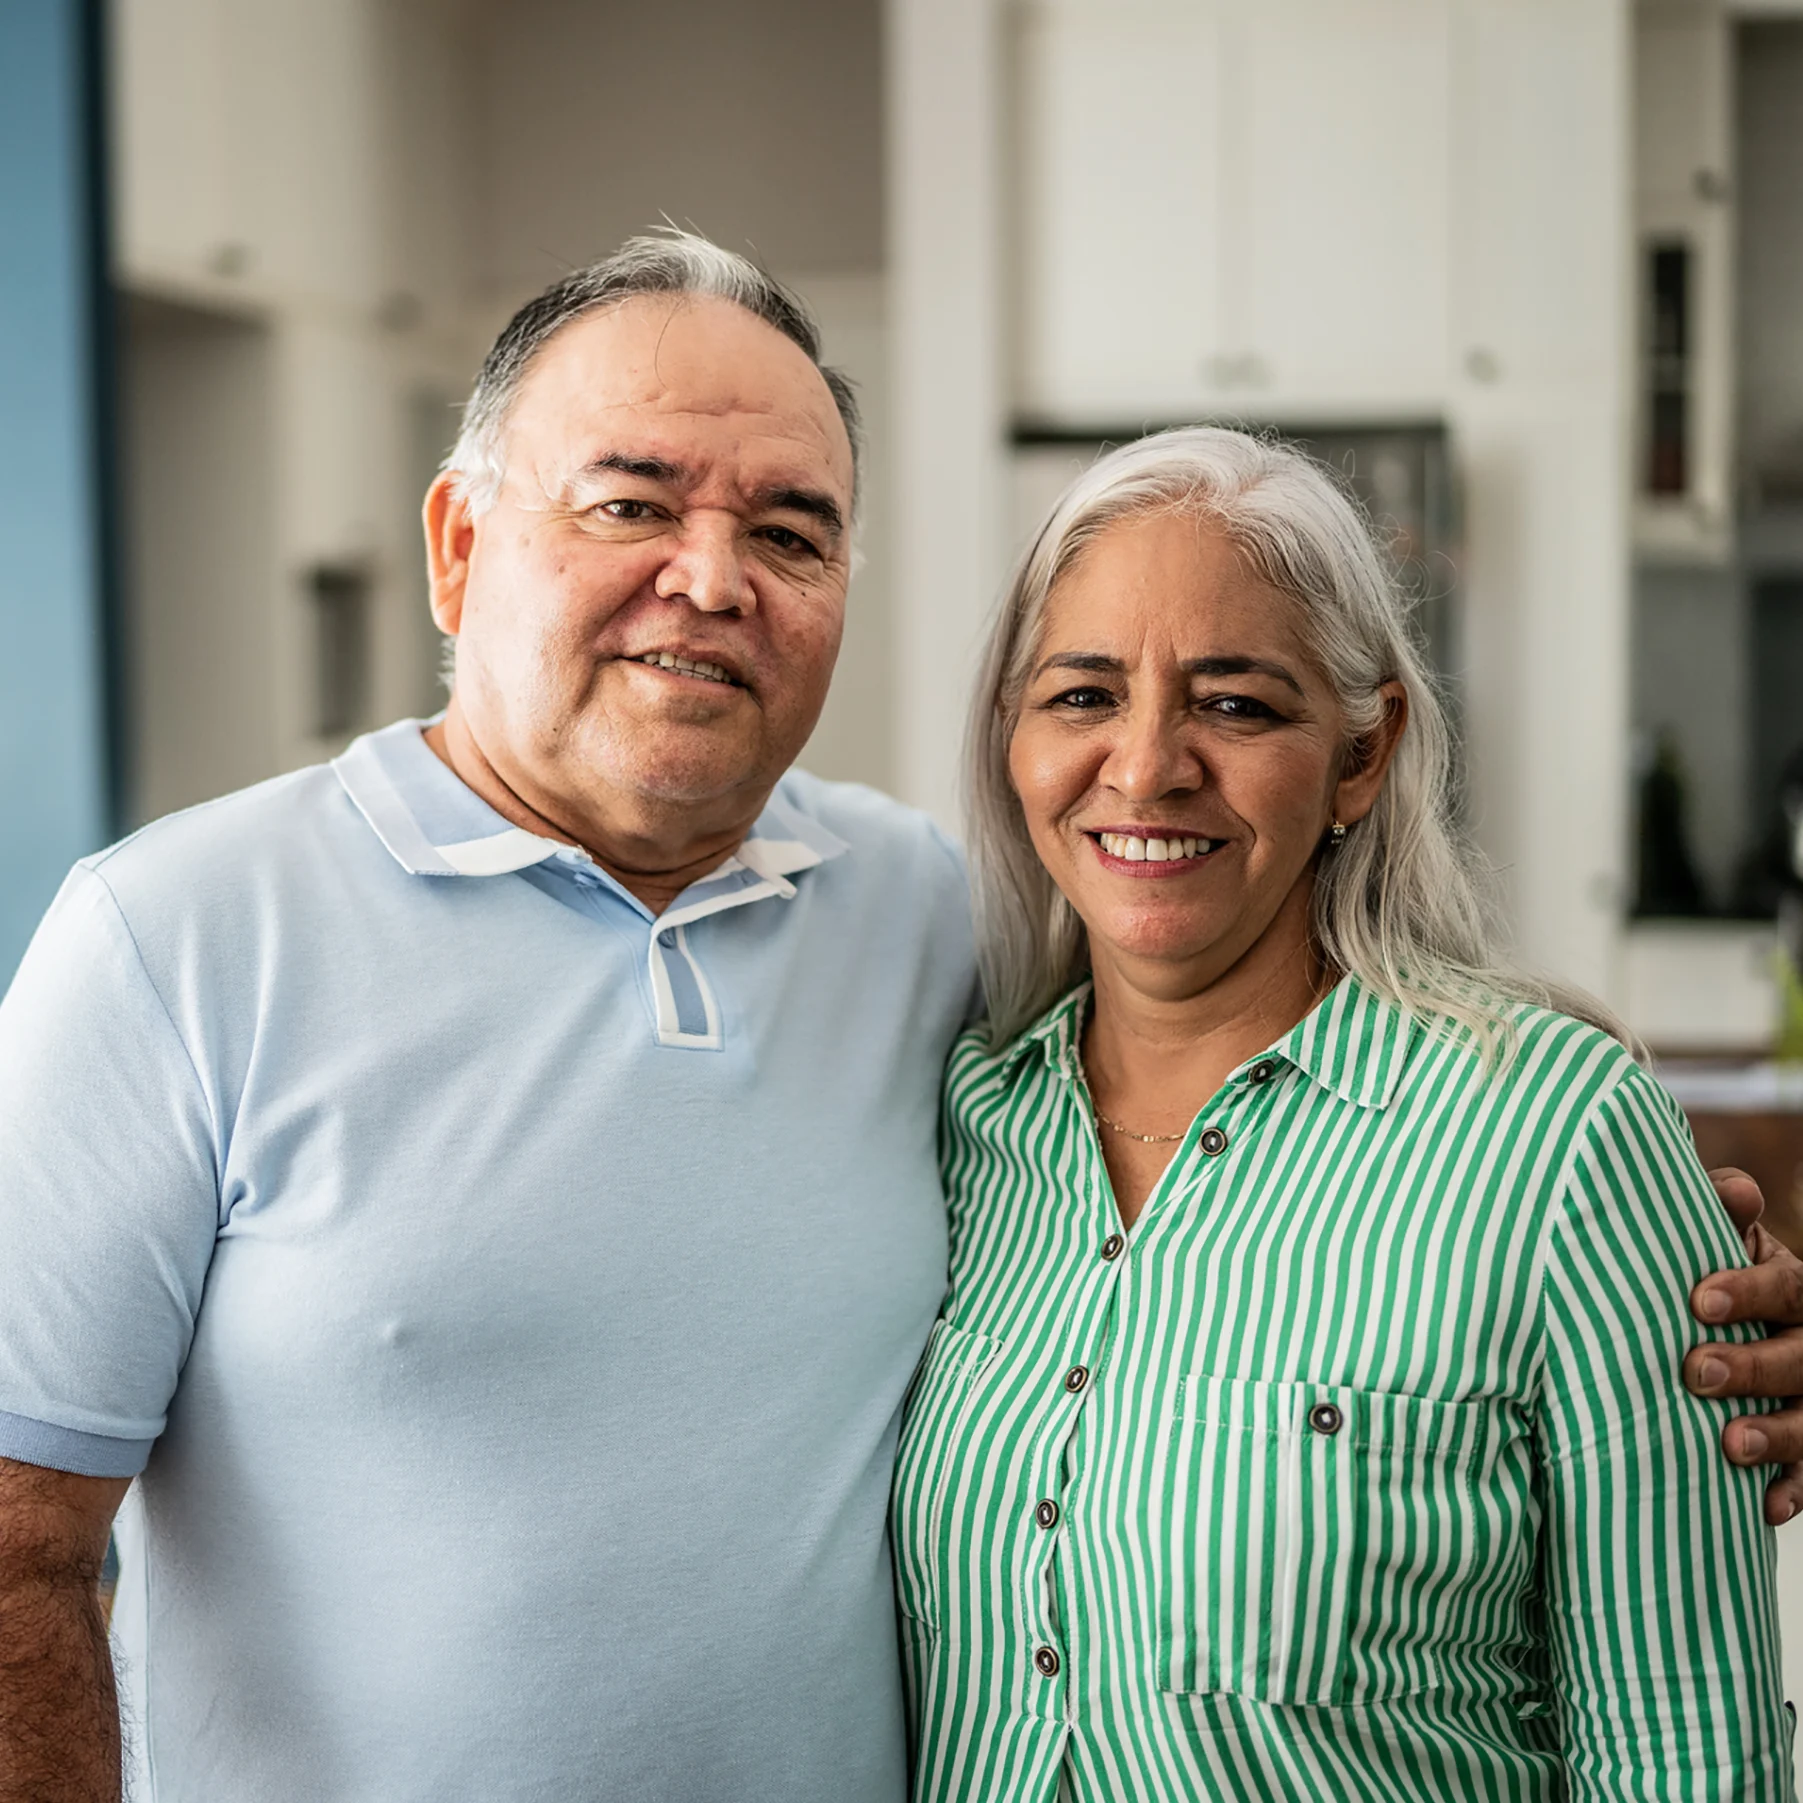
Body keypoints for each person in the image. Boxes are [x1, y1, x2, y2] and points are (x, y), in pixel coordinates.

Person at [0, 235, 1794, 1802]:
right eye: (631, 501)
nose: (710, 577)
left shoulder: (920, 924)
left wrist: (1678, 1308)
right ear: (461, 544)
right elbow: (18, 1553)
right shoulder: (173, 941)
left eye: (787, 528)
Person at [892, 428, 1792, 1800]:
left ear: (1361, 757)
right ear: (1012, 738)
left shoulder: (1554, 1139)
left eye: (1236, 705)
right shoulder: (957, 1120)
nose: (1142, 768)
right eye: (1081, 695)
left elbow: (1680, 1743)